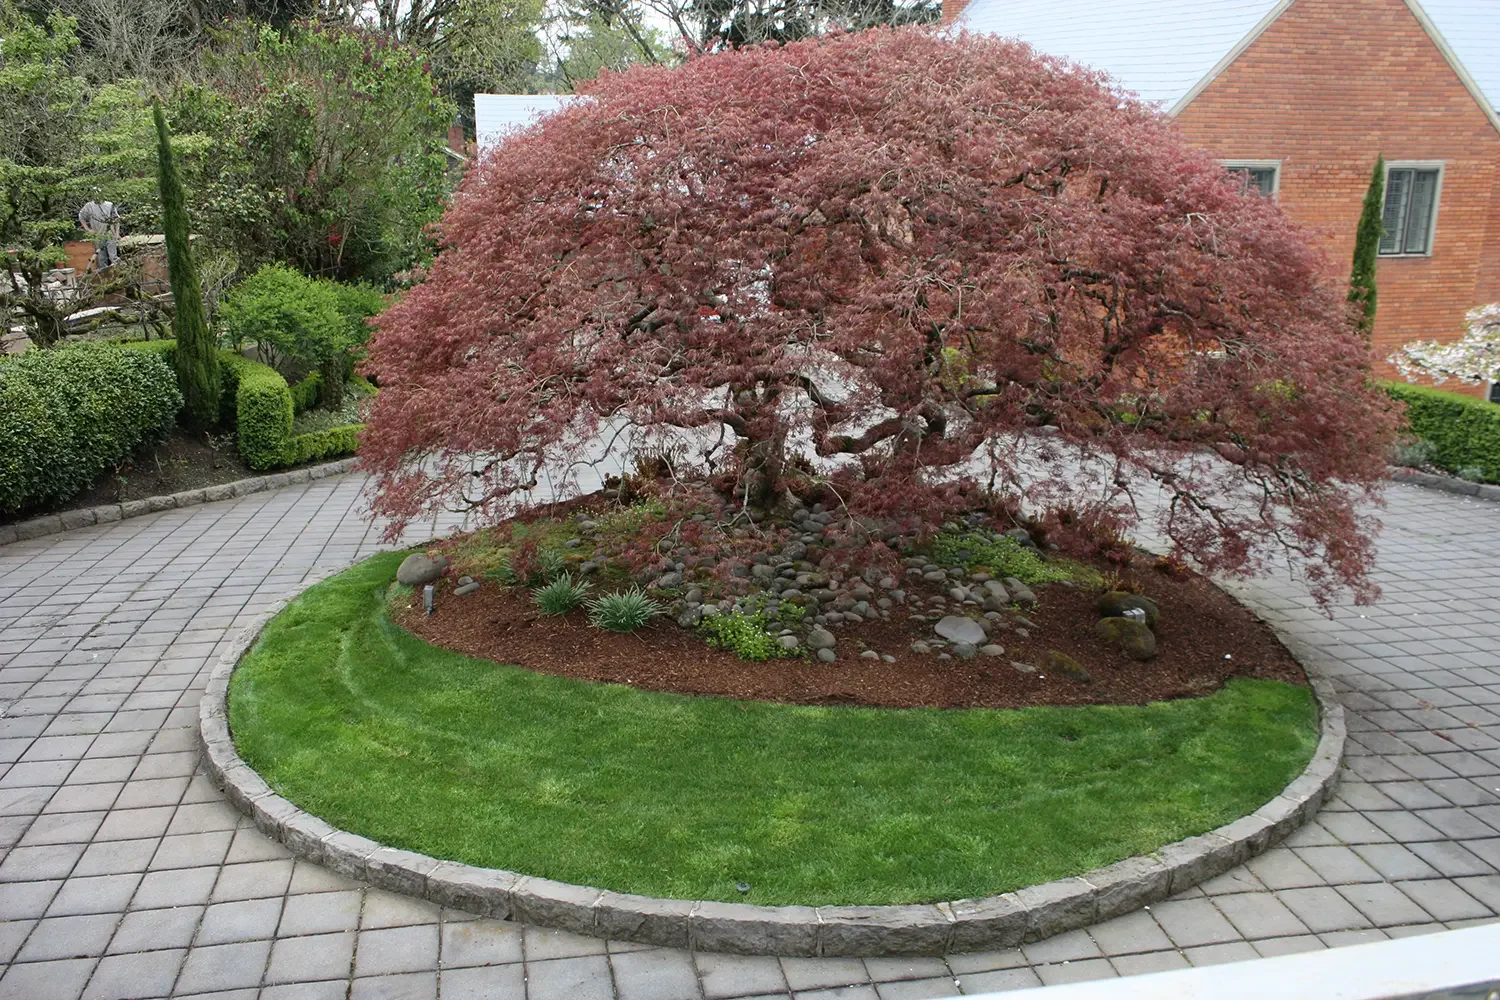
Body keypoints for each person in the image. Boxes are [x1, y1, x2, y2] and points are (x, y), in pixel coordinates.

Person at [78, 193, 122, 271]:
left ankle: (119, 273)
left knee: (113, 257)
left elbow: (117, 219)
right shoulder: (89, 206)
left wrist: (117, 233)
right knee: (101, 259)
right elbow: (81, 216)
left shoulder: (109, 205)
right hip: (98, 235)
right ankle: (105, 278)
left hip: (109, 234)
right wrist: (88, 229)